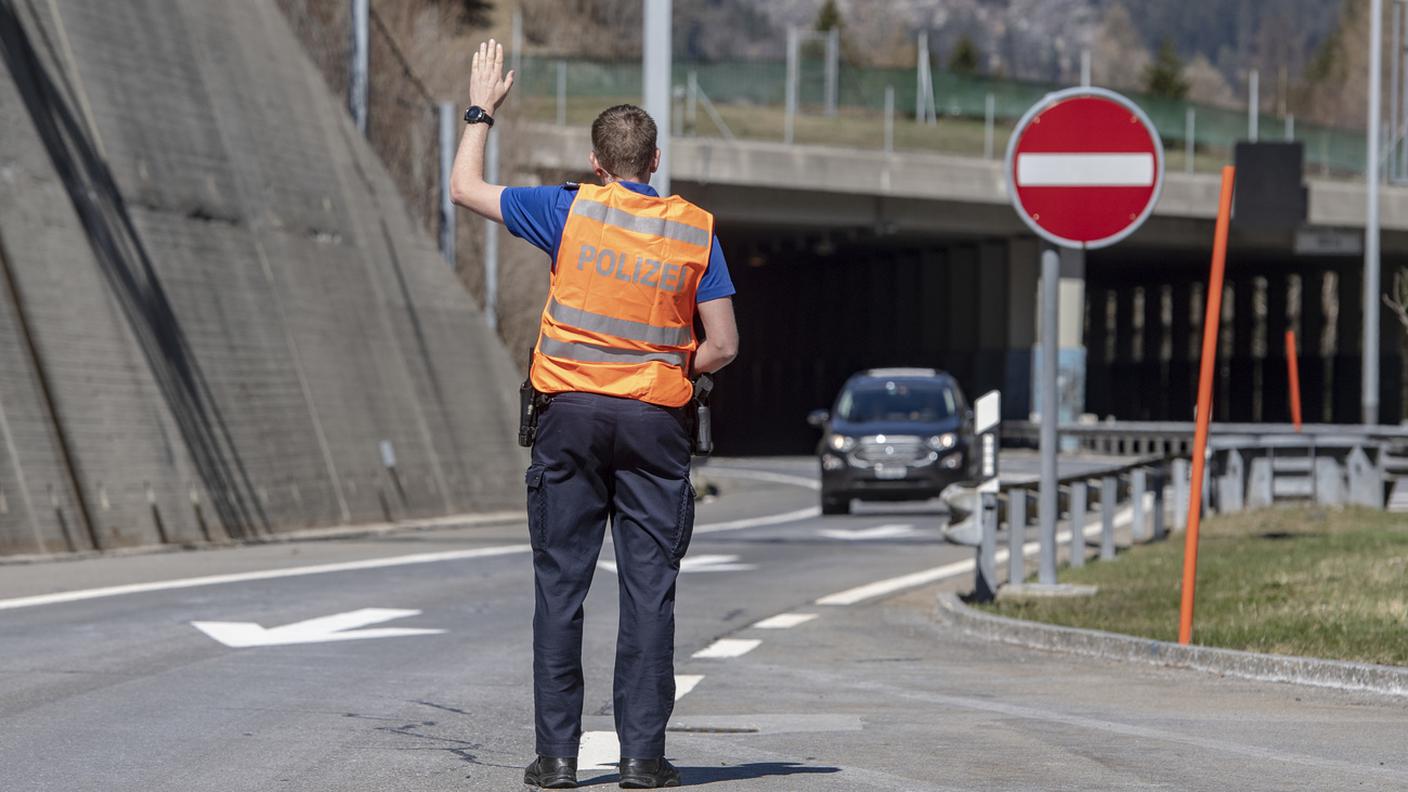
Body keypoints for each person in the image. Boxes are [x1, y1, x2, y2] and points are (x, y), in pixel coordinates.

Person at [449, 40, 739, 790]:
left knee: (561, 586)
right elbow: (724, 346)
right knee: (649, 592)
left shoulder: (566, 210)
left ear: (596, 161)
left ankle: (557, 760)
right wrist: (668, 369)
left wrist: (482, 109)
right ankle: (642, 761)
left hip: (569, 418)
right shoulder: (694, 229)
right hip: (653, 424)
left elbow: (464, 188)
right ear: (655, 160)